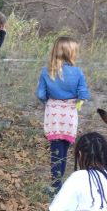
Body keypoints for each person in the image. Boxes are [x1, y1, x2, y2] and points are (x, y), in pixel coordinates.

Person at [36, 36, 90, 192]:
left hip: (53, 112)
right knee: (64, 150)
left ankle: (56, 184)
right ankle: (59, 183)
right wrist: (78, 103)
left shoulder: (47, 71)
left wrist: (50, 101)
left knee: (56, 149)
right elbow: (83, 94)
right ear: (71, 53)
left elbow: (41, 94)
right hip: (69, 114)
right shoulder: (78, 72)